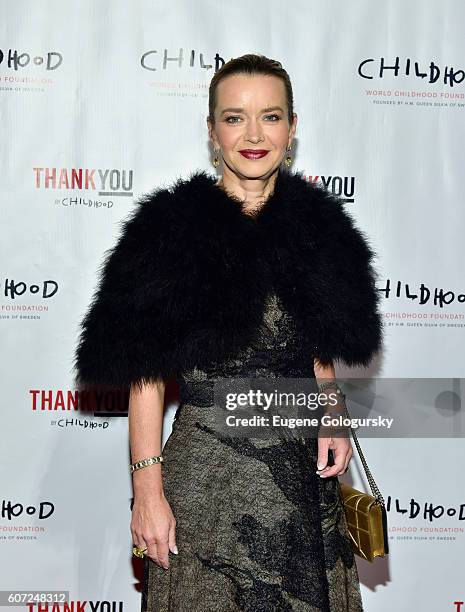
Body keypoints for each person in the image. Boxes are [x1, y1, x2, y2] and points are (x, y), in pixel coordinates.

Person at [74, 53, 383, 611]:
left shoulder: (319, 227)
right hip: (206, 481)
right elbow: (145, 375)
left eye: (270, 116)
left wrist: (333, 413)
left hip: (301, 472)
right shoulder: (169, 231)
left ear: (293, 129)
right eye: (235, 117)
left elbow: (317, 336)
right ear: (212, 132)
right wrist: (146, 489)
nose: (254, 134)